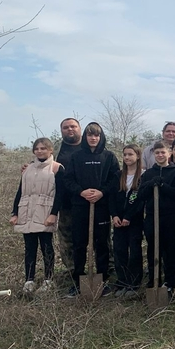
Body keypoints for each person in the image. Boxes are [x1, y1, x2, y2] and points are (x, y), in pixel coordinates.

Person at [63, 122, 120, 298]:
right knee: (80, 244)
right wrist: (82, 191)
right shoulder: (76, 157)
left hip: (101, 207)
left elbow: (115, 178)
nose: (93, 138)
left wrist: (101, 192)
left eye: (96, 135)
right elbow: (68, 180)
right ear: (85, 137)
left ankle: (102, 281)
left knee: (102, 244)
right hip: (80, 206)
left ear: (101, 137)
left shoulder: (109, 157)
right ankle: (79, 281)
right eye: (90, 135)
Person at [10, 138, 64, 294]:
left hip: (45, 211)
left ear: (50, 150)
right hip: (26, 211)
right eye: (37, 148)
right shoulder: (27, 168)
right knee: (29, 247)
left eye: (43, 148)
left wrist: (54, 214)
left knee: (46, 246)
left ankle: (48, 279)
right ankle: (29, 280)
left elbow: (60, 194)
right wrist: (15, 213)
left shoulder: (57, 168)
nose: (40, 151)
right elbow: (21, 191)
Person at [134, 141, 175, 293]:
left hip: (171, 217)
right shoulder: (148, 174)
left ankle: (171, 282)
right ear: (153, 155)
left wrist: (163, 186)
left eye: (163, 152)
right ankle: (154, 280)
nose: (160, 155)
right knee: (153, 249)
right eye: (157, 153)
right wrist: (150, 185)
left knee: (171, 250)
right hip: (152, 216)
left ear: (169, 154)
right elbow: (140, 195)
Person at [109, 144, 144, 298]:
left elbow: (140, 200)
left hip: (134, 221)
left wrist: (129, 217)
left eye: (130, 154)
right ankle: (122, 281)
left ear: (137, 156)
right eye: (125, 155)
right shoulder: (118, 175)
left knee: (134, 252)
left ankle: (134, 283)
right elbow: (112, 198)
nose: (127, 157)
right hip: (118, 221)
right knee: (119, 251)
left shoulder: (143, 176)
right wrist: (114, 215)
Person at [55, 118, 82, 276]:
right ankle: (72, 270)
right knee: (67, 238)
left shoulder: (90, 147)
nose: (70, 129)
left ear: (79, 128)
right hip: (65, 203)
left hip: (89, 201)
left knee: (98, 237)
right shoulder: (56, 150)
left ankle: (107, 267)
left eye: (73, 126)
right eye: (66, 127)